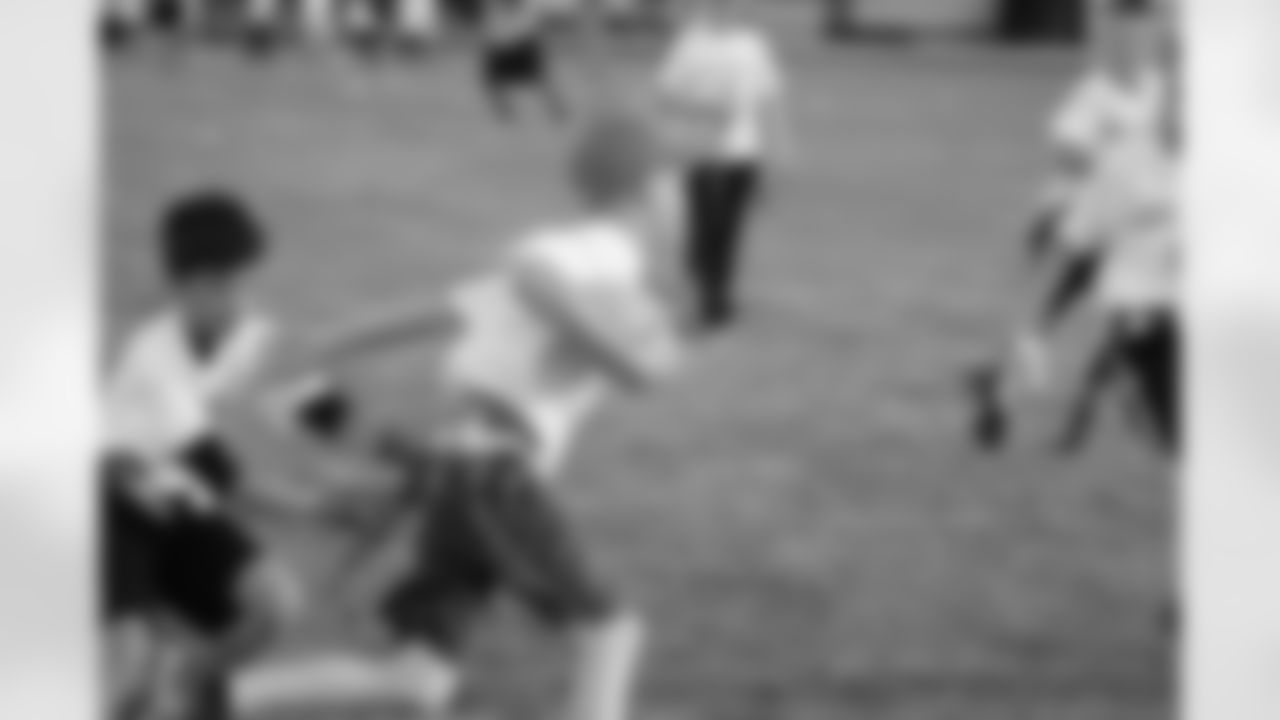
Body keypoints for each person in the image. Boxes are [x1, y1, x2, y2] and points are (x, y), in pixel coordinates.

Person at [237, 111, 687, 720]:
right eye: (678, 183)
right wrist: (619, 355)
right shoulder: (597, 253)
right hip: (493, 476)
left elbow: (447, 307)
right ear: (650, 187)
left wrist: (330, 339)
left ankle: (208, 699)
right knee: (610, 633)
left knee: (415, 681)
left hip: (462, 473)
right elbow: (529, 270)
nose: (683, 199)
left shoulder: (608, 267)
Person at [102, 190, 311, 720]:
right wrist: (327, 506)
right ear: (183, 287)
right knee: (127, 667)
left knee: (276, 606)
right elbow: (226, 478)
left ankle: (184, 684)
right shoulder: (153, 359)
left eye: (243, 282)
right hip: (114, 506)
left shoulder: (244, 332)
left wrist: (385, 458)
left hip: (175, 498)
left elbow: (312, 400)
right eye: (224, 285)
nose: (240, 300)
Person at [965, 0, 1169, 449]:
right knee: (1042, 322)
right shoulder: (1096, 91)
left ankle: (1061, 405)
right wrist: (1116, 163)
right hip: (1069, 224)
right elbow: (1067, 149)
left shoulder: (1160, 91)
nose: (1135, 40)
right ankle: (1003, 398)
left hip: (1122, 234)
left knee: (1125, 322)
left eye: (1143, 28)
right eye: (1127, 28)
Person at [653, 0, 790, 332]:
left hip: (743, 152)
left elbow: (768, 97)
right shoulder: (691, 43)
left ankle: (717, 298)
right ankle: (707, 290)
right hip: (701, 149)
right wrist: (704, 108)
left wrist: (779, 146)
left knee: (728, 227)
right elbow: (667, 93)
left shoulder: (753, 45)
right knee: (704, 226)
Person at [479, 0, 568, 122]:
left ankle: (556, 107)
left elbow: (534, 28)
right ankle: (504, 110)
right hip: (503, 46)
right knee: (492, 83)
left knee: (541, 80)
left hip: (519, 44)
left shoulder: (521, 11)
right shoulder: (496, 11)